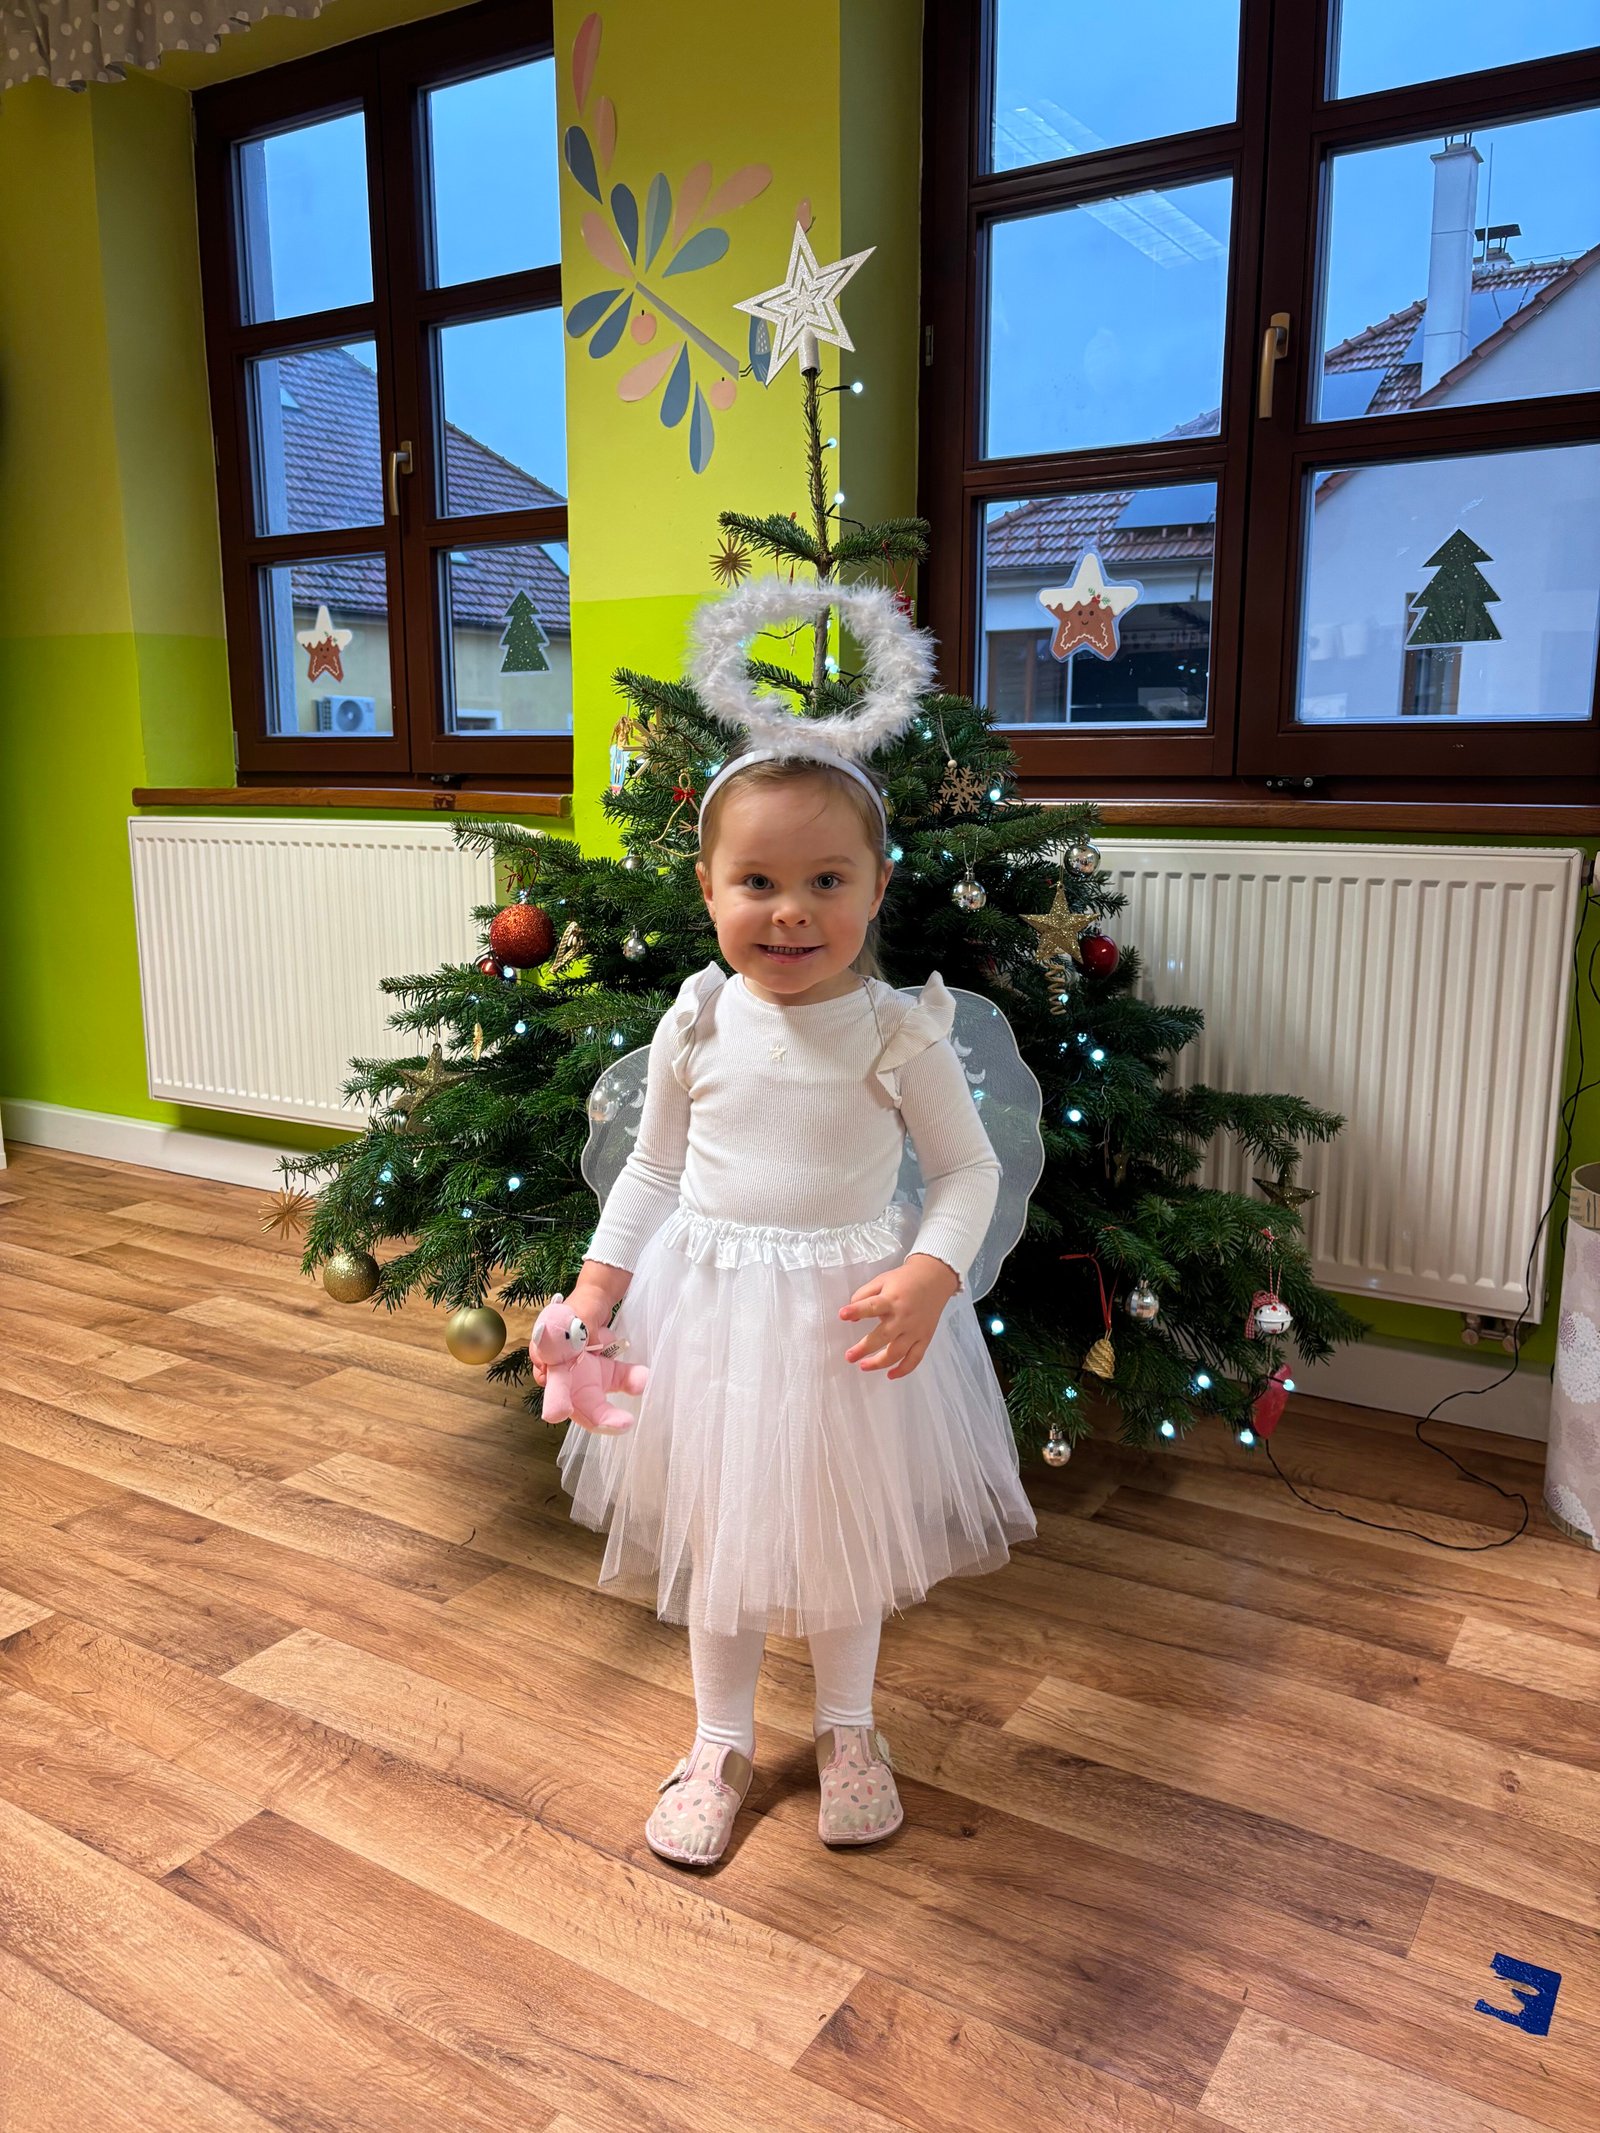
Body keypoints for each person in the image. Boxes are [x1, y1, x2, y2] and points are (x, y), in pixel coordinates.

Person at [535, 580, 1039, 1868]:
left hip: (849, 1320)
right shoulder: (695, 1024)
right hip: (710, 1314)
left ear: (876, 887)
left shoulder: (897, 1032)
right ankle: (718, 1739)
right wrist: (595, 1292)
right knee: (726, 1532)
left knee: (841, 1534)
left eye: (826, 880)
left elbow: (969, 1172)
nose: (791, 910)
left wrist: (933, 1274)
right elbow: (652, 1172)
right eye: (757, 881)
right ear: (708, 886)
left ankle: (850, 1728)